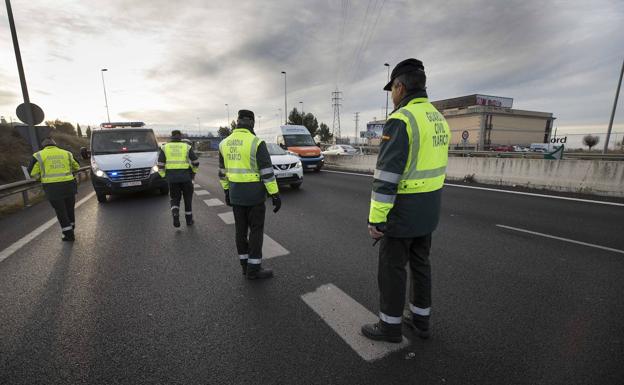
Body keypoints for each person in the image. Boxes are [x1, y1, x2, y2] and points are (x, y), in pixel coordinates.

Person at [361, 58, 450, 343]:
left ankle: (390, 327)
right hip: (429, 209)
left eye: (392, 90)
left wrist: (377, 219)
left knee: (392, 269)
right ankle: (421, 321)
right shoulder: (437, 118)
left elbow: (386, 177)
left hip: (403, 212)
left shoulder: (401, 120)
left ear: (400, 87)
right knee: (421, 264)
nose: (392, 96)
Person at [218, 110, 281, 280]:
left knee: (240, 231)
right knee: (255, 231)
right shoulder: (257, 143)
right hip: (254, 196)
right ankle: (254, 269)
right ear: (252, 123)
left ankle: (245, 266)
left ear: (237, 122)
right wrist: (275, 194)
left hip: (236, 194)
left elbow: (222, 172)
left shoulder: (224, 143)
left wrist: (226, 191)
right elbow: (267, 173)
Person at [28, 137, 81, 241]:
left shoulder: (38, 155)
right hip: (69, 185)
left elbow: (32, 173)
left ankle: (68, 234)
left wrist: (40, 177)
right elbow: (77, 166)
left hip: (52, 187)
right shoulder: (67, 153)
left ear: (43, 146)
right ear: (55, 144)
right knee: (69, 208)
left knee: (60, 210)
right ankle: (71, 228)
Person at [158, 130, 199, 227]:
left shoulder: (165, 147)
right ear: (180, 137)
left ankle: (175, 214)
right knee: (187, 199)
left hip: (172, 179)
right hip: (186, 178)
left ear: (171, 137)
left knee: (174, 198)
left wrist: (164, 176)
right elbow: (196, 162)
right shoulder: (186, 146)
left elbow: (160, 165)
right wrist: (193, 172)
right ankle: (189, 220)